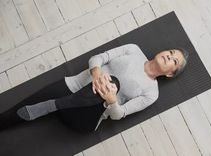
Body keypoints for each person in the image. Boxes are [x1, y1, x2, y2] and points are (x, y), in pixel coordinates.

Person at [0, 44, 189, 132]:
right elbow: (97, 58)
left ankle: (56, 105)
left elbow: (118, 114)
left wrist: (111, 99)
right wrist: (97, 75)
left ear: (170, 73)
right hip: (71, 87)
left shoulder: (151, 93)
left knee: (113, 82)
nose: (169, 55)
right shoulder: (133, 49)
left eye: (174, 60)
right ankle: (57, 104)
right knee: (17, 111)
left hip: (86, 116)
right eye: (171, 52)